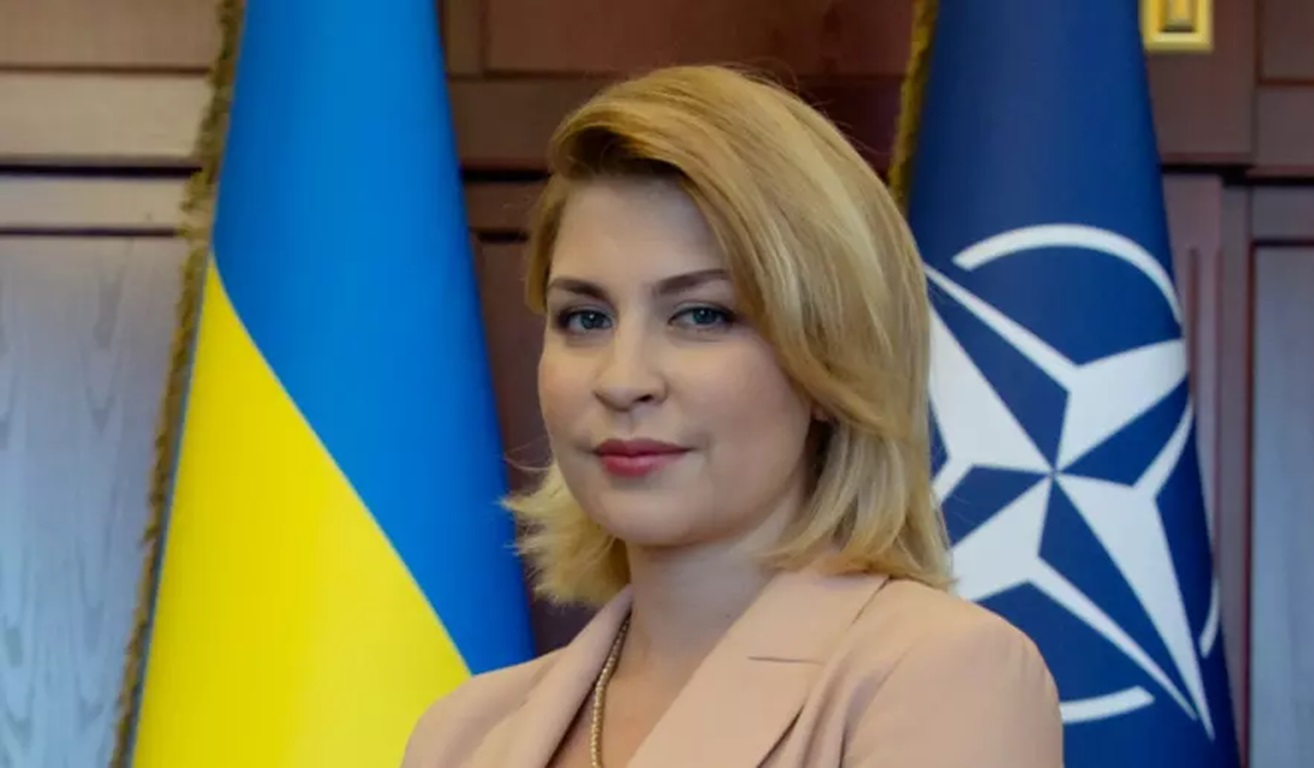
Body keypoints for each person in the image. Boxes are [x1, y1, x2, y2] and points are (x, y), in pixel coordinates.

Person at [402, 64, 1063, 768]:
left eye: (701, 315)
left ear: (829, 360)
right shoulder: (463, 734)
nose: (622, 380)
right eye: (586, 318)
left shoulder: (942, 675)